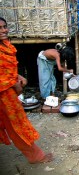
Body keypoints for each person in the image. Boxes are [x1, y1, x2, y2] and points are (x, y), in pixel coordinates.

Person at [0, 17, 53, 164]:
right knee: (16, 126)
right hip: (4, 96)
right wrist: (14, 84)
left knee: (14, 125)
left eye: (4, 26)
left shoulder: (6, 46)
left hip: (8, 92)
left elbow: (6, 70)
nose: (4, 30)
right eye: (0, 28)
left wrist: (17, 76)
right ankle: (36, 157)